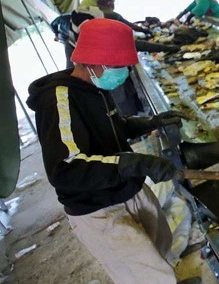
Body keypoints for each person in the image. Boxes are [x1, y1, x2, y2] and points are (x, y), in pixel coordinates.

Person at [26, 18, 186, 284]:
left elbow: (112, 127)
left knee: (161, 246)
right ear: (92, 62)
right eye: (117, 66)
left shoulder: (94, 85)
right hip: (98, 207)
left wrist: (149, 123)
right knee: (150, 276)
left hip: (127, 188)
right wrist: (133, 164)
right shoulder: (58, 100)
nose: (122, 72)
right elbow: (66, 169)